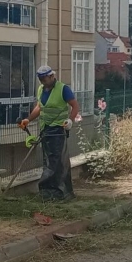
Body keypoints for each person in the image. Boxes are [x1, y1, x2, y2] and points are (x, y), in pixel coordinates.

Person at [19, 66, 80, 201]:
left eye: (45, 79)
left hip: (58, 129)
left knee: (55, 162)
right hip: (46, 128)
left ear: (52, 76)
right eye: (41, 80)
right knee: (48, 160)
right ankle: (50, 191)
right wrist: (28, 119)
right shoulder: (41, 89)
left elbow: (75, 106)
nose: (43, 82)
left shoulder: (63, 89)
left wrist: (70, 120)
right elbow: (40, 107)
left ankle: (57, 192)